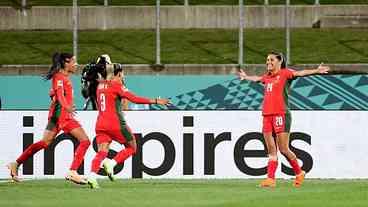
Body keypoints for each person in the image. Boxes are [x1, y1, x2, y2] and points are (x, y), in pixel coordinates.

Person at [237, 52, 329, 188]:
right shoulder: (267, 77)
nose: (268, 62)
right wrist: (246, 77)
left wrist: (316, 70)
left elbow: (301, 73)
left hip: (281, 114)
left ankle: (299, 172)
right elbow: (257, 78)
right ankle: (270, 179)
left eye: (271, 60)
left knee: (284, 149)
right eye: (267, 60)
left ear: (280, 61)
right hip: (267, 115)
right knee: (271, 149)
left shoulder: (286, 73)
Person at [7, 52, 91, 184]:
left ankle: (16, 164)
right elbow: (59, 95)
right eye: (74, 62)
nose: (76, 64)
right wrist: (66, 106)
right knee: (85, 141)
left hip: (57, 116)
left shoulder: (64, 78)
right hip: (62, 116)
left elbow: (56, 93)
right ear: (66, 63)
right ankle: (73, 172)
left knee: (44, 142)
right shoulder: (59, 77)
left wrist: (56, 98)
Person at [87, 63, 170, 189]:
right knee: (132, 147)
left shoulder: (100, 85)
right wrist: (156, 101)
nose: (124, 76)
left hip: (100, 124)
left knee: (102, 152)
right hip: (115, 124)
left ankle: (92, 176)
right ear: (119, 73)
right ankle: (111, 163)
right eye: (123, 73)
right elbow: (134, 98)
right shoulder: (117, 85)